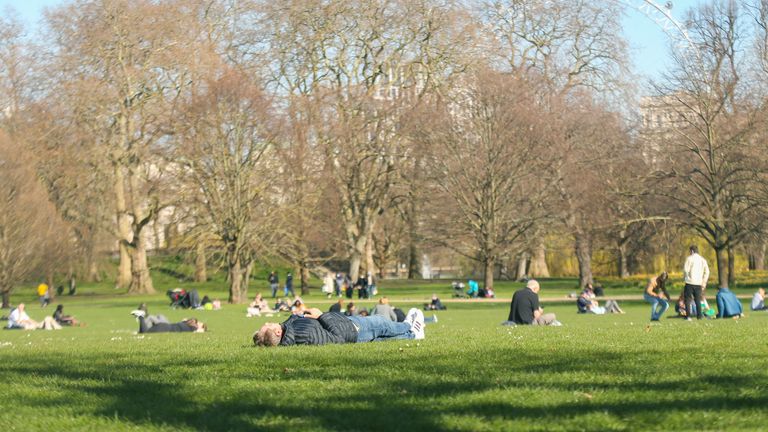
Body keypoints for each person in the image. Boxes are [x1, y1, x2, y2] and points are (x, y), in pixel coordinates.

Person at [253, 307, 425, 347]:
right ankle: (409, 325)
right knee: (381, 323)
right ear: (277, 332)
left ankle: (412, 335)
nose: (269, 322)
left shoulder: (288, 332)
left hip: (347, 325)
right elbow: (338, 336)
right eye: (267, 324)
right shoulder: (301, 333)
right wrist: (321, 315)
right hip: (351, 328)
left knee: (380, 337)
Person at [683, 245, 710, 320]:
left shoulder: (689, 258)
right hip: (699, 283)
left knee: (687, 300)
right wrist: (704, 282)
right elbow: (707, 272)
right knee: (697, 300)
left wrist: (686, 277)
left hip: (689, 282)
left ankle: (688, 316)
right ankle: (699, 316)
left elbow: (686, 270)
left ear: (692, 251)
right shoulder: (703, 260)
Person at [132, 310, 206, 333]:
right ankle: (141, 316)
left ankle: (141, 317)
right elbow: (200, 330)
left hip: (165, 326)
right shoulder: (192, 328)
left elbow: (200, 330)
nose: (198, 323)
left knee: (144, 332)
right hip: (164, 327)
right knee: (146, 332)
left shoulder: (187, 325)